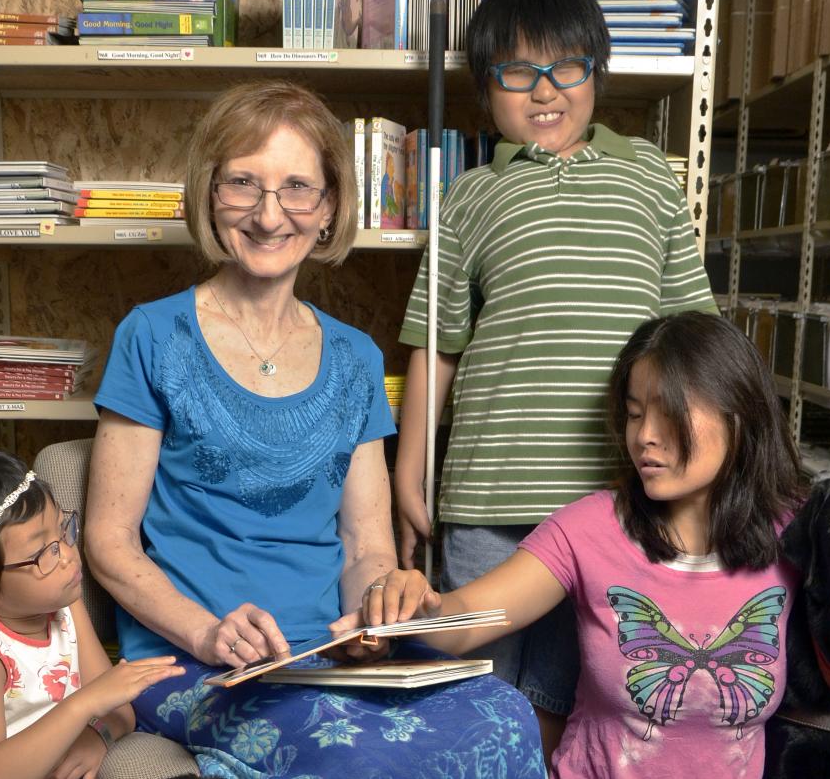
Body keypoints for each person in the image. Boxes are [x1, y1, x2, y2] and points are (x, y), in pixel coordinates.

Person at [85, 80, 546, 777]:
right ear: (211, 194)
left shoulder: (356, 357)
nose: (270, 216)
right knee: (354, 756)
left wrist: (374, 610)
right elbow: (108, 543)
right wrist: (207, 633)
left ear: (329, 208)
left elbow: (367, 543)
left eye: (298, 187)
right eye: (243, 183)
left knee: (505, 714)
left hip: (325, 652)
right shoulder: (152, 335)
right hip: (192, 657)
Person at [369, 312, 830, 778]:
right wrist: (407, 595)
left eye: (670, 414)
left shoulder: (796, 530)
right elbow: (466, 624)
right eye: (636, 413)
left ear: (737, 416)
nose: (646, 437)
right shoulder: (589, 528)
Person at [392, 0, 718, 760]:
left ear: (596, 72)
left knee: (586, 704)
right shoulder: (471, 196)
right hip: (489, 497)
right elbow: (436, 343)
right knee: (480, 701)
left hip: (617, 502)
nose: (545, 90)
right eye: (516, 72)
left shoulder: (650, 178)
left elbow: (695, 343)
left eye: (566, 66)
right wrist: (409, 474)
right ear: (484, 89)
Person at [0, 443, 184, 779]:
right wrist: (85, 705)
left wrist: (97, 736)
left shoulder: (62, 601)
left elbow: (119, 709)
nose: (68, 556)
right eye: (44, 552)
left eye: (64, 530)